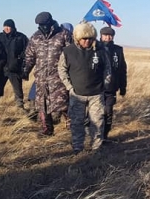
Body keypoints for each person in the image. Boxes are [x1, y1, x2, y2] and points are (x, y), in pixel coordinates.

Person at [58, 22, 109, 154]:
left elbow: (107, 70)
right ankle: (77, 147)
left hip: (96, 94)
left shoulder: (101, 50)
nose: (87, 41)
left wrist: (105, 84)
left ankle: (96, 147)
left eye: (90, 38)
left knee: (97, 122)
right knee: (76, 122)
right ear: (77, 38)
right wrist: (70, 88)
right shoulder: (68, 51)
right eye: (84, 38)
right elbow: (61, 70)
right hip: (77, 94)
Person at [22, 12, 72, 136]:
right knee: (42, 104)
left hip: (59, 77)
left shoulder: (63, 34)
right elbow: (29, 56)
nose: (43, 27)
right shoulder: (35, 37)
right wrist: (25, 70)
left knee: (63, 103)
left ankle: (72, 127)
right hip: (41, 77)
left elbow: (72, 54)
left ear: (51, 22)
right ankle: (47, 130)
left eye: (45, 24)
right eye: (40, 25)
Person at [99, 26, 127, 140]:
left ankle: (105, 135)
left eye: (110, 35)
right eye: (105, 35)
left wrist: (123, 86)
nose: (107, 37)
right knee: (96, 113)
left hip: (111, 87)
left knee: (108, 112)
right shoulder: (95, 48)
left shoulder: (117, 50)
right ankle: (96, 135)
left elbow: (122, 69)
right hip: (96, 88)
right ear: (101, 36)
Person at [0, 19, 28, 111]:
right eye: (5, 26)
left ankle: (20, 107)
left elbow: (28, 49)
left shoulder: (21, 37)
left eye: (9, 26)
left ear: (13, 27)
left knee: (17, 89)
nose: (7, 28)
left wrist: (20, 58)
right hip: (1, 68)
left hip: (14, 68)